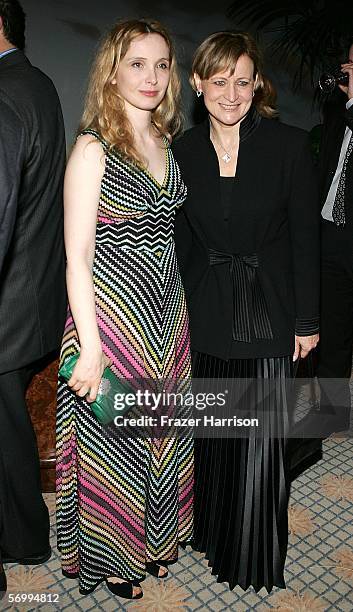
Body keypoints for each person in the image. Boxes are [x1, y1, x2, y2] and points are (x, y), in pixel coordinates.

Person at [173, 31, 319, 592]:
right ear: (197, 83)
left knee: (259, 440)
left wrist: (307, 321)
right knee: (216, 435)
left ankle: (251, 557)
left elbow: (305, 241)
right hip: (208, 310)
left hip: (270, 311)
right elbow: (180, 242)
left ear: (256, 83)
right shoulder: (181, 152)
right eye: (219, 80)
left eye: (242, 80)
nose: (231, 94)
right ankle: (213, 535)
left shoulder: (288, 146)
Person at [56, 19, 193, 600]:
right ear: (112, 71)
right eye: (137, 63)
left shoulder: (166, 140)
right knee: (116, 449)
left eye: (162, 65)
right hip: (110, 321)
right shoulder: (94, 147)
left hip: (167, 318)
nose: (152, 77)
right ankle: (115, 559)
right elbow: (77, 256)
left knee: (161, 437)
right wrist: (90, 345)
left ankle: (154, 542)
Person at [0, 0, 66, 600]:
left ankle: (23, 537)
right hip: (32, 297)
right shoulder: (38, 83)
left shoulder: (1, 92)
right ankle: (24, 536)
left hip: (7, 305)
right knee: (8, 424)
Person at [316, 41, 353, 435]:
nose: (346, 69)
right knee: (334, 329)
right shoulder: (339, 112)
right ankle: (331, 411)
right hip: (332, 234)